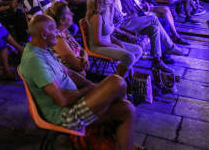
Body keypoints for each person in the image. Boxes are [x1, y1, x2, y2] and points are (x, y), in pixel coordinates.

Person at [19, 14, 135, 150]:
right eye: (54, 30)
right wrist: (88, 90)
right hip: (65, 116)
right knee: (117, 82)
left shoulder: (43, 50)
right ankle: (109, 135)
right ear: (44, 35)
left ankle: (123, 143)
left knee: (127, 109)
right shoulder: (35, 60)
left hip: (73, 102)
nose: (58, 33)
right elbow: (62, 100)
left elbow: (68, 72)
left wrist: (91, 86)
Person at [85, 0, 142, 77]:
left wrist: (117, 42)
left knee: (138, 50)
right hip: (98, 46)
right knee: (129, 57)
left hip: (108, 42)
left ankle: (122, 72)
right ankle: (119, 79)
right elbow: (97, 41)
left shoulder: (106, 12)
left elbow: (109, 30)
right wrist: (114, 45)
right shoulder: (97, 17)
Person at [45, 1, 89, 75]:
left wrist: (85, 58)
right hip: (69, 80)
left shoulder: (65, 32)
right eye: (69, 13)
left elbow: (82, 50)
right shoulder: (57, 39)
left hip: (79, 76)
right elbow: (79, 66)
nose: (73, 14)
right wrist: (85, 61)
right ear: (62, 20)